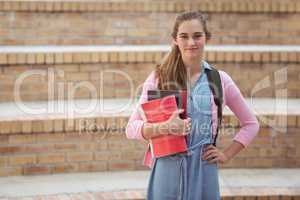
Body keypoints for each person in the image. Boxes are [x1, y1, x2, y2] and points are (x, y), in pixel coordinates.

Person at [125, 11, 259, 200]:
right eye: (184, 36)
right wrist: (165, 127)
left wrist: (227, 154)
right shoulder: (159, 78)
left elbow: (251, 124)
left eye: (197, 36)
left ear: (207, 38)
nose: (191, 43)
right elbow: (131, 128)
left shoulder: (219, 80)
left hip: (204, 171)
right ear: (175, 40)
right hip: (166, 170)